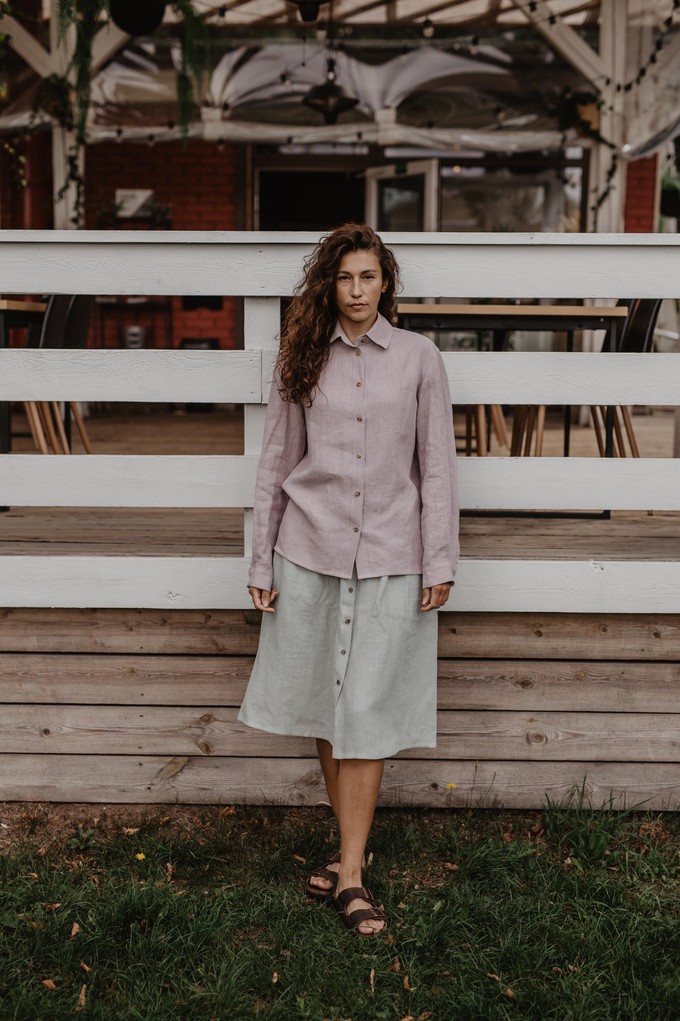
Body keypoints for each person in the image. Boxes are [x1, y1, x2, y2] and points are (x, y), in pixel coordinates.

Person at [238, 223, 460, 937]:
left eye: (369, 277)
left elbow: (437, 468)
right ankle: (346, 853)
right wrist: (260, 557)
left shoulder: (421, 359)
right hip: (311, 548)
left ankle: (353, 875)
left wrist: (441, 557)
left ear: (386, 281)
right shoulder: (301, 354)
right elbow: (276, 461)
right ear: (328, 285)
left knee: (364, 708)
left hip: (393, 552)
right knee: (329, 710)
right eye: (345, 279)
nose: (358, 291)